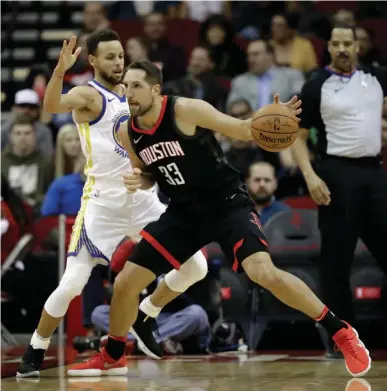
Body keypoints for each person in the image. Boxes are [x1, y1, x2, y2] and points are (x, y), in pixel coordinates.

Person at [68, 60, 371, 378]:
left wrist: (269, 115)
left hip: (227, 204)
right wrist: (138, 180)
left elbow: (241, 129)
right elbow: (146, 174)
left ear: (156, 90)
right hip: (184, 212)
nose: (128, 93)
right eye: (125, 86)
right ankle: (114, 354)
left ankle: (340, 331)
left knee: (263, 273)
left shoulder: (186, 110)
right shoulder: (127, 131)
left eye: (137, 86)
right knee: (126, 282)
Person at [17, 30, 208, 378]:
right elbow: (51, 107)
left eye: (121, 55)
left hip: (144, 199)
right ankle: (37, 345)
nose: (118, 62)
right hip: (103, 204)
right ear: (92, 61)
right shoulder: (88, 96)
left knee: (197, 268)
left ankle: (147, 314)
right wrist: (60, 72)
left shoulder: (133, 94)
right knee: (72, 284)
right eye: (110, 57)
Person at [291, 24, 387, 357]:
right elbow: (298, 138)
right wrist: (311, 177)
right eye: (336, 43)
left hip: (374, 172)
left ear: (358, 46)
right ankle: (344, 340)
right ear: (329, 47)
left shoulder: (377, 80)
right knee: (336, 262)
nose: (342, 48)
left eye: (348, 43)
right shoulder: (316, 85)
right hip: (335, 174)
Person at [245, 161, 290, 226]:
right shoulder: (236, 212)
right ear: (248, 183)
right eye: (257, 180)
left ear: (275, 184)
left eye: (267, 180)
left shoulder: (285, 213)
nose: (262, 184)